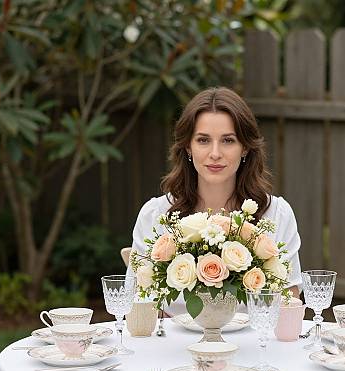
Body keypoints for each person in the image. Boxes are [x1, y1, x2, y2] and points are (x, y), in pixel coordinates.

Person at [128, 86, 301, 316]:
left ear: (245, 148)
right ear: (188, 147)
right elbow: (137, 307)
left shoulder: (277, 214)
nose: (215, 153)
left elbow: (289, 306)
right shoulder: (155, 215)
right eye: (203, 140)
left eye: (228, 141)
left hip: (254, 349)